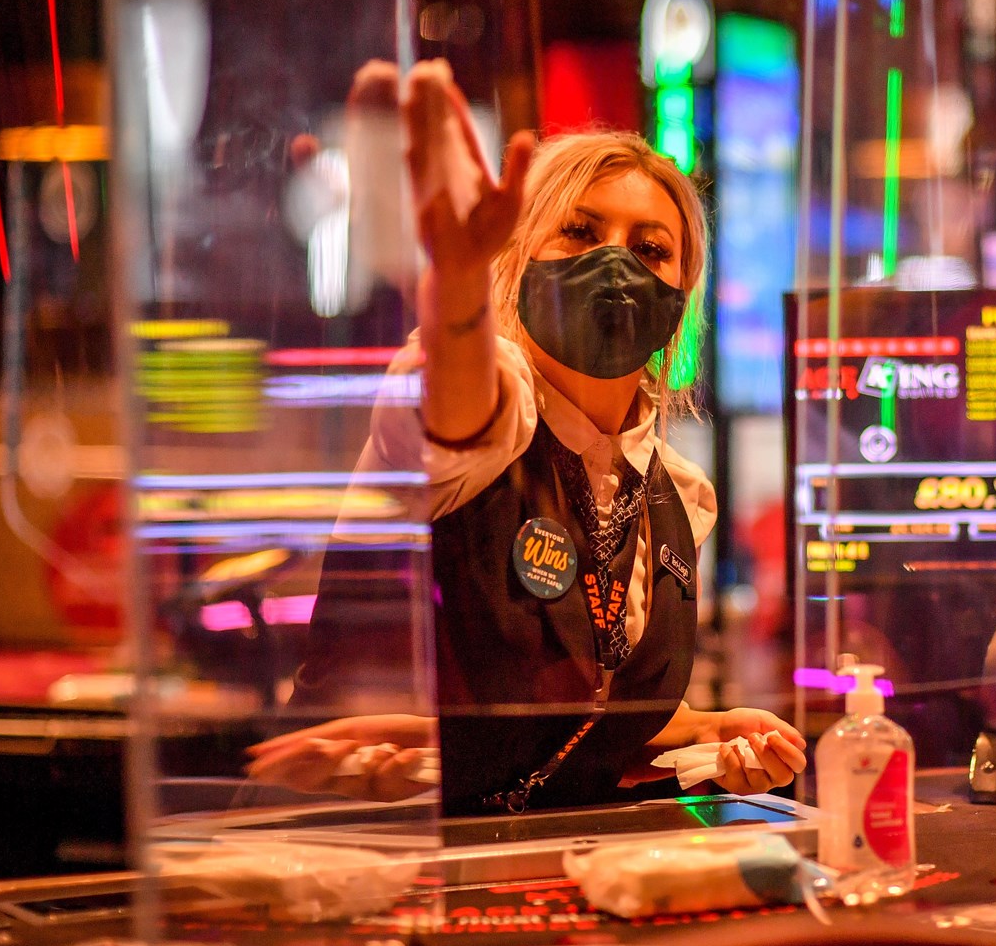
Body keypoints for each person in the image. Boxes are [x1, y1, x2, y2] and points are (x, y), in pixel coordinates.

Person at [246, 60, 805, 813]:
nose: (615, 263)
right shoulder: (480, 401)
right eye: (579, 233)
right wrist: (458, 277)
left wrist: (703, 733)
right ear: (517, 259)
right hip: (344, 855)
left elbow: (574, 720)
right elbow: (461, 403)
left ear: (680, 297)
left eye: (650, 249)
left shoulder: (681, 496)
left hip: (516, 874)